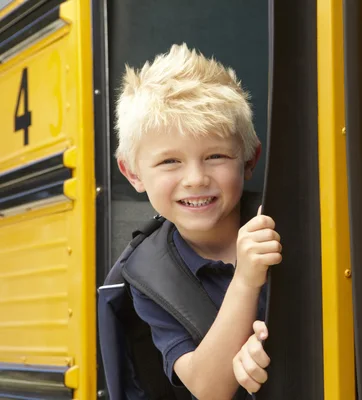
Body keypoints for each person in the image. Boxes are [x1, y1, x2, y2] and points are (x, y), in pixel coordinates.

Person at [114, 43, 281, 398]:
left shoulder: (290, 225)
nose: (195, 178)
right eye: (169, 162)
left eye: (215, 156)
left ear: (250, 159)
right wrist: (247, 279)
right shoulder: (148, 274)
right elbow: (208, 387)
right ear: (132, 173)